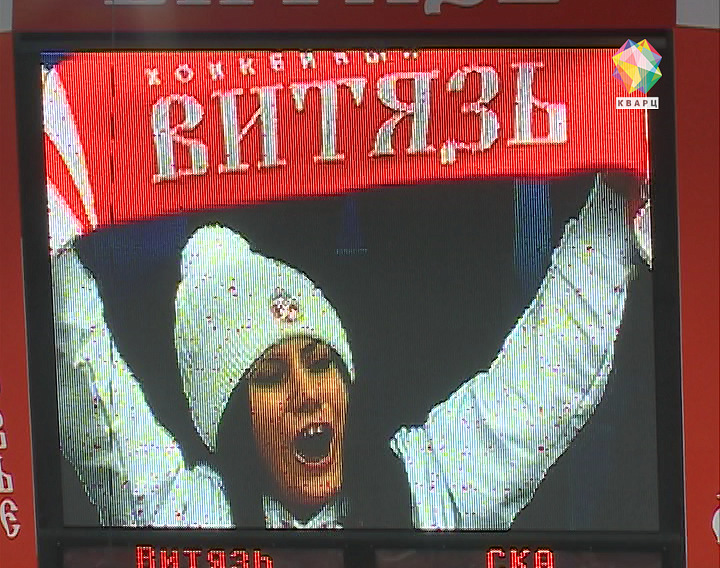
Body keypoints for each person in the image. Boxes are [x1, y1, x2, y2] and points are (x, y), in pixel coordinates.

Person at [49, 164, 652, 529]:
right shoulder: (197, 521)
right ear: (233, 423)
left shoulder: (427, 492)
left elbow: (549, 376)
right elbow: (93, 394)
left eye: (319, 363)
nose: (306, 393)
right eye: (269, 376)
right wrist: (44, 226)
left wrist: (619, 191)